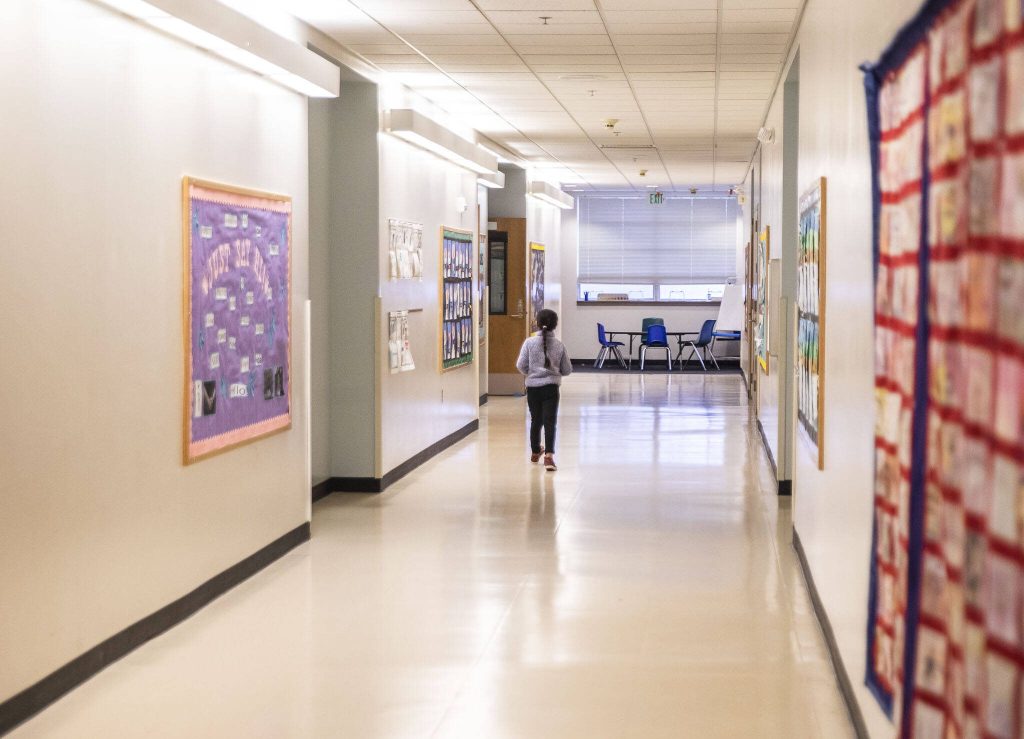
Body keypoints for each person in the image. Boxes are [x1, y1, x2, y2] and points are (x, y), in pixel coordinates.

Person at [515, 308, 572, 471]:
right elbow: (567, 369)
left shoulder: (529, 343)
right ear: (555, 325)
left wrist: (532, 374)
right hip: (551, 389)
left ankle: (535, 451)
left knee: (536, 420)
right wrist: (554, 372)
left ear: (537, 324)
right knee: (550, 421)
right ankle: (548, 456)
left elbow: (521, 365)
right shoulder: (559, 345)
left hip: (533, 388)